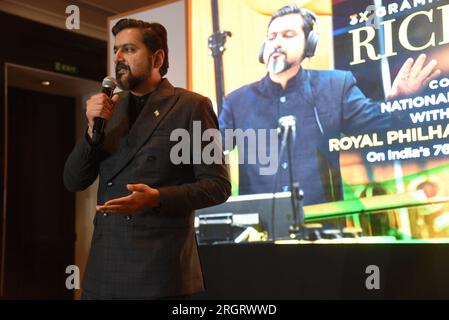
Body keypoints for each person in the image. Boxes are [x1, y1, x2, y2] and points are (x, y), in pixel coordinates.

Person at [63, 19, 231, 299]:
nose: (118, 58)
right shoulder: (110, 111)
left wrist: (156, 198)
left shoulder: (192, 106)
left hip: (158, 272)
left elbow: (217, 186)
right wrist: (92, 129)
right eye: (116, 50)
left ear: (157, 57)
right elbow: (73, 180)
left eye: (128, 49)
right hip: (103, 269)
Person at [219, 4, 440, 205]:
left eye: (288, 35)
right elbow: (212, 152)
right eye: (272, 36)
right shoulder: (237, 101)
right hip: (258, 234)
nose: (277, 42)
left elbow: (377, 129)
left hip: (324, 227)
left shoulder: (335, 85)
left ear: (309, 44)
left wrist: (396, 103)